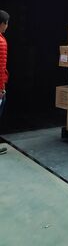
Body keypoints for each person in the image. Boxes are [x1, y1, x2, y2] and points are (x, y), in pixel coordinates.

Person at [0, 10, 10, 155]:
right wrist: (1, 88)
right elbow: (0, 67)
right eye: (7, 23)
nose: (7, 26)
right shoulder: (1, 42)